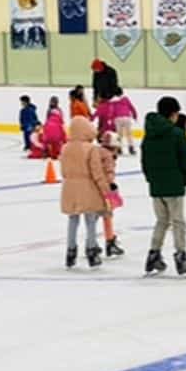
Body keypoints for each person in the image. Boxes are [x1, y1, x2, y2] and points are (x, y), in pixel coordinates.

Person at [141, 96, 186, 277]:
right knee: (178, 221)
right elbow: (185, 160)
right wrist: (185, 179)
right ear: (173, 114)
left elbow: (145, 160)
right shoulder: (176, 134)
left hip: (157, 186)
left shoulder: (149, 134)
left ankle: (153, 253)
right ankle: (181, 256)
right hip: (174, 184)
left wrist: (151, 179)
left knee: (161, 221)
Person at [59, 115, 110, 270]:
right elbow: (97, 172)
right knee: (90, 220)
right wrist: (105, 189)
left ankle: (70, 251)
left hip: (69, 188)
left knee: (73, 220)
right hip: (87, 187)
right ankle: (91, 250)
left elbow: (63, 170)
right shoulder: (91, 149)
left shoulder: (65, 148)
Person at [97, 131, 125, 258]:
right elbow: (108, 172)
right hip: (105, 189)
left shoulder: (96, 152)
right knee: (107, 215)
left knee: (92, 217)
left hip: (94, 187)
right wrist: (111, 185)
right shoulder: (108, 156)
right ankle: (110, 242)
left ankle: (90, 243)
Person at [110, 89, 139, 155]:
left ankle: (119, 148)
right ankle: (131, 147)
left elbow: (112, 111)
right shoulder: (126, 99)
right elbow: (132, 107)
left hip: (118, 118)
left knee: (119, 135)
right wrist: (135, 115)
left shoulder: (113, 101)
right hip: (126, 118)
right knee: (129, 134)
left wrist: (111, 119)